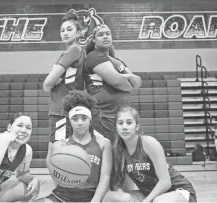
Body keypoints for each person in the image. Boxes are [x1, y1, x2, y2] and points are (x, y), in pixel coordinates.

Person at [103, 106, 197, 202]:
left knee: (159, 201)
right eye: (120, 123)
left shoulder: (149, 143)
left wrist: (147, 200)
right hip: (150, 194)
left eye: (129, 123)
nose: (124, 127)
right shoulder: (117, 150)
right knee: (110, 197)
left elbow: (165, 182)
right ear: (116, 126)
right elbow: (117, 184)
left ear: (137, 126)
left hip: (178, 190)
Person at [39, 90, 112, 202]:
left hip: (92, 197)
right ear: (69, 121)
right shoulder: (60, 145)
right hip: (63, 196)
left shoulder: (103, 143)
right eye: (75, 119)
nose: (80, 123)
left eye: (84, 118)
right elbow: (52, 167)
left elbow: (105, 177)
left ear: (90, 119)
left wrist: (95, 200)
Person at [84, 23, 142, 142]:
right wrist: (127, 78)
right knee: (107, 154)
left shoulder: (116, 61)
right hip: (104, 115)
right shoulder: (93, 56)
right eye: (100, 35)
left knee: (119, 154)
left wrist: (125, 78)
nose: (105, 36)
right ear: (94, 40)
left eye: (108, 34)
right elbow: (118, 82)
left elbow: (137, 83)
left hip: (119, 116)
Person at [43, 12, 86, 142]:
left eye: (69, 29)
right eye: (62, 30)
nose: (65, 33)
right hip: (66, 109)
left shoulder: (73, 50)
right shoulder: (77, 51)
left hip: (62, 110)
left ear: (78, 33)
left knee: (59, 152)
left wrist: (52, 82)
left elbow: (46, 84)